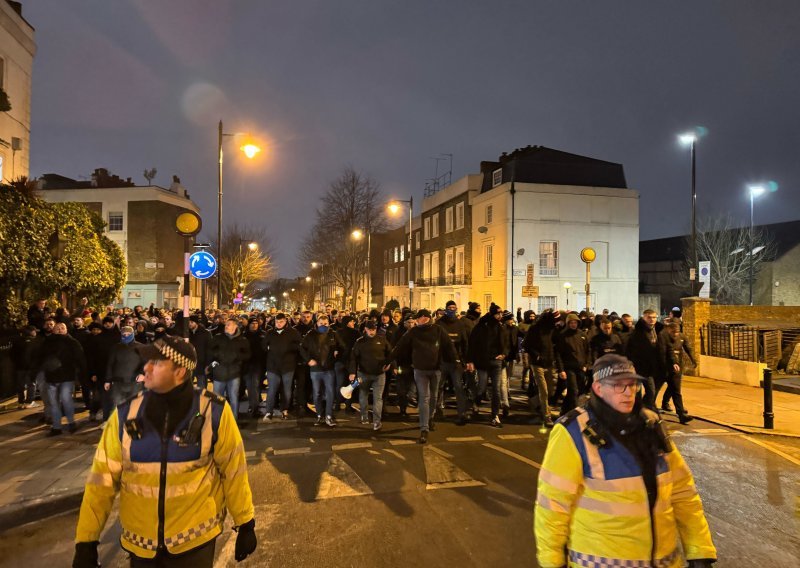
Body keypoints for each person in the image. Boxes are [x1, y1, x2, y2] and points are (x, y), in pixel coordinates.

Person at [72, 335, 257, 568]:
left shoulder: (214, 412)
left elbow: (234, 470)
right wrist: (86, 541)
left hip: (194, 543)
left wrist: (245, 522)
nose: (146, 368)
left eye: (157, 363)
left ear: (180, 371)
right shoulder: (125, 414)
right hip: (141, 546)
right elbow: (101, 480)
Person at [534, 353, 717, 568]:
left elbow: (682, 491)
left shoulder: (651, 423)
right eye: (618, 386)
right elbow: (553, 504)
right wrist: (552, 562)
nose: (628, 392)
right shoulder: (574, 431)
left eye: (632, 385)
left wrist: (699, 551)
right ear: (598, 389)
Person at [390, 309, 458, 443]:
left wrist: (456, 361)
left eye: (417, 318)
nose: (415, 321)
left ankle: (430, 417)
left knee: (433, 397)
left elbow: (449, 346)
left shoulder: (438, 330)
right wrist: (388, 361)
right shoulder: (413, 332)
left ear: (424, 318)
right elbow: (399, 346)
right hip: (420, 370)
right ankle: (424, 429)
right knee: (424, 398)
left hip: (436, 369)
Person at [38, 322, 86, 435]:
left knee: (66, 400)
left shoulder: (72, 342)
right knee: (54, 403)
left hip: (66, 376)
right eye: (57, 328)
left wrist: (82, 373)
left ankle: (71, 422)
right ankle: (56, 427)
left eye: (62, 328)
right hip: (51, 377)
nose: (60, 330)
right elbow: (40, 356)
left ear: (66, 330)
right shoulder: (47, 342)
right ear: (53, 330)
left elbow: (80, 358)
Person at [466, 303, 510, 427]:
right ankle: (476, 402)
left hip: (496, 362)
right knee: (482, 387)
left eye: (501, 313)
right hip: (482, 361)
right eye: (497, 314)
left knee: (496, 389)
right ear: (492, 314)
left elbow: (506, 343)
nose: (500, 316)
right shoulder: (481, 326)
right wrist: (470, 361)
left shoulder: (501, 327)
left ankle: (494, 415)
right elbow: (472, 344)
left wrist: (504, 354)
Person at [348, 321, 392, 430]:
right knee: (363, 395)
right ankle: (364, 415)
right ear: (365, 329)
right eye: (369, 329)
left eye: (373, 329)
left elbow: (390, 353)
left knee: (378, 398)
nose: (371, 332)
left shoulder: (382, 340)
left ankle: (377, 421)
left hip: (379, 374)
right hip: (363, 373)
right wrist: (352, 372)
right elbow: (353, 358)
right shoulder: (360, 342)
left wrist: (390, 364)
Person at [299, 314, 339, 427]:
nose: (323, 326)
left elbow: (342, 347)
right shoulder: (310, 334)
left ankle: (329, 415)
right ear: (317, 323)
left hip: (329, 369)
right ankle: (319, 415)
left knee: (330, 393)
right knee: (317, 393)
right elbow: (302, 348)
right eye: (321, 323)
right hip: (315, 370)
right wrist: (308, 360)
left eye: (326, 324)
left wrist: (336, 352)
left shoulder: (333, 334)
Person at [207, 319, 252, 420]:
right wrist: (218, 355)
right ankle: (217, 420)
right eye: (226, 324)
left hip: (234, 374)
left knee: (234, 398)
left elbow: (248, 355)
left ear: (235, 326)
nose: (226, 326)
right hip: (219, 373)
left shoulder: (242, 340)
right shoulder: (218, 338)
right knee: (217, 399)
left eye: (229, 324)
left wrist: (237, 356)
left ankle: (233, 420)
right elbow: (209, 350)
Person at [262, 313, 301, 420]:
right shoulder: (270, 333)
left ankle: (285, 410)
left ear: (286, 321)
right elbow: (264, 346)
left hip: (288, 366)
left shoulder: (293, 332)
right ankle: (269, 411)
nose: (279, 324)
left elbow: (299, 346)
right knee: (272, 390)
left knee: (287, 390)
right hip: (273, 366)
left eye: (281, 322)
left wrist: (291, 348)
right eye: (277, 322)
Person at [661, 321, 696, 424]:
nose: (676, 334)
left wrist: (693, 359)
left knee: (676, 390)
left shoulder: (681, 337)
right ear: (669, 330)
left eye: (677, 331)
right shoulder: (664, 337)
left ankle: (681, 414)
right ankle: (648, 407)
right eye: (674, 331)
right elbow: (664, 352)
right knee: (654, 390)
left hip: (676, 367)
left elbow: (687, 348)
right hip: (663, 368)